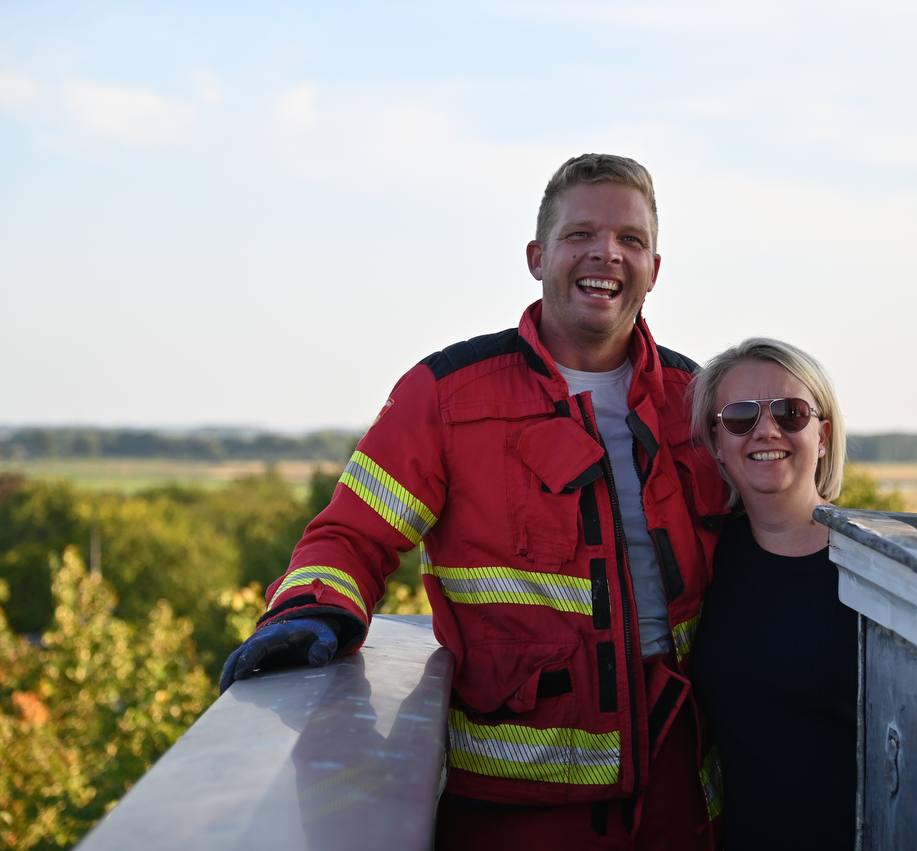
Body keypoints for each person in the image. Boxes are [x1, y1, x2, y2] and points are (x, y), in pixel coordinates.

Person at [219, 154, 730, 849]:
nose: (606, 253)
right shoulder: (446, 395)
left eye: (630, 239)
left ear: (654, 268)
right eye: (580, 234)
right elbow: (352, 535)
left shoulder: (698, 399)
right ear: (537, 257)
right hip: (515, 812)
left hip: (682, 799)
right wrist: (311, 610)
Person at [687, 338, 856, 849]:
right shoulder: (708, 558)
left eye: (790, 412)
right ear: (717, 442)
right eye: (740, 416)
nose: (766, 429)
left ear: (822, 436)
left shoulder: (876, 568)